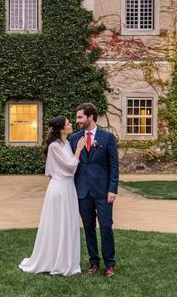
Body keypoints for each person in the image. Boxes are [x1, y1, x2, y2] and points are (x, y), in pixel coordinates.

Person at [19, 116, 86, 276]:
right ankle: (54, 261)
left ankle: (64, 259)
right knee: (58, 224)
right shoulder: (55, 146)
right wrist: (78, 150)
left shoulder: (66, 143)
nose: (71, 125)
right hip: (60, 189)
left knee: (68, 224)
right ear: (62, 129)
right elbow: (70, 167)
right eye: (68, 123)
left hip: (68, 188)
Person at [70, 102, 119, 278]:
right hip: (82, 192)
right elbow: (71, 165)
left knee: (106, 227)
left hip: (103, 192)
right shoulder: (74, 138)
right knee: (89, 228)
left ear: (90, 117)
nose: (78, 121)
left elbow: (114, 166)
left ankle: (110, 264)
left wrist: (112, 189)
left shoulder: (107, 137)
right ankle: (93, 262)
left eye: (80, 117)